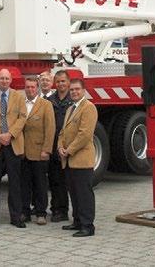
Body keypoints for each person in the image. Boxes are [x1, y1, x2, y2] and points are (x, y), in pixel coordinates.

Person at [0, 68, 27, 229]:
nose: (4, 81)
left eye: (7, 78)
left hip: (13, 143)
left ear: (11, 80)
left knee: (15, 182)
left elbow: (22, 117)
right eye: (1, 78)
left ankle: (16, 217)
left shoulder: (19, 96)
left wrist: (10, 134)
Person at [58, 78, 98, 237]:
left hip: (81, 159)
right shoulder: (70, 108)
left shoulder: (88, 108)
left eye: (77, 89)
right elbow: (63, 132)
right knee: (74, 192)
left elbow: (84, 134)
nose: (74, 92)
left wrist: (68, 150)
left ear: (83, 91)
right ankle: (77, 221)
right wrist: (60, 147)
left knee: (84, 194)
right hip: (69, 160)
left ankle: (88, 226)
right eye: (72, 89)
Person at [21, 76, 55, 225]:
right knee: (24, 184)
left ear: (37, 88)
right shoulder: (20, 104)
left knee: (40, 184)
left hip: (39, 151)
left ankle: (41, 213)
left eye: (33, 87)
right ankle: (25, 212)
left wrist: (46, 150)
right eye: (27, 87)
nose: (30, 90)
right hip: (23, 152)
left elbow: (50, 128)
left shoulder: (45, 105)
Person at [48, 70, 73, 222]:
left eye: (63, 81)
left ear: (68, 82)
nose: (61, 84)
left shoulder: (73, 100)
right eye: (58, 81)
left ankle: (64, 211)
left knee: (67, 181)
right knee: (54, 180)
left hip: (68, 147)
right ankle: (56, 209)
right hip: (53, 145)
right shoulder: (50, 101)